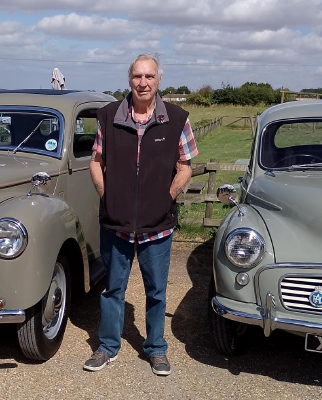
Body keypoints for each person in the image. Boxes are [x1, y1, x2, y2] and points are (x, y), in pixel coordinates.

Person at [84, 54, 197, 376]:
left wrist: (166, 198)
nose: (143, 83)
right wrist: (107, 196)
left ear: (158, 81)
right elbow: (95, 161)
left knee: (156, 292)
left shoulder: (176, 118)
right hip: (115, 225)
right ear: (129, 79)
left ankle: (156, 348)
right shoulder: (109, 116)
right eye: (137, 76)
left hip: (157, 226)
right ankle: (107, 346)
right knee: (112, 290)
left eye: (149, 76)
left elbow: (185, 167)